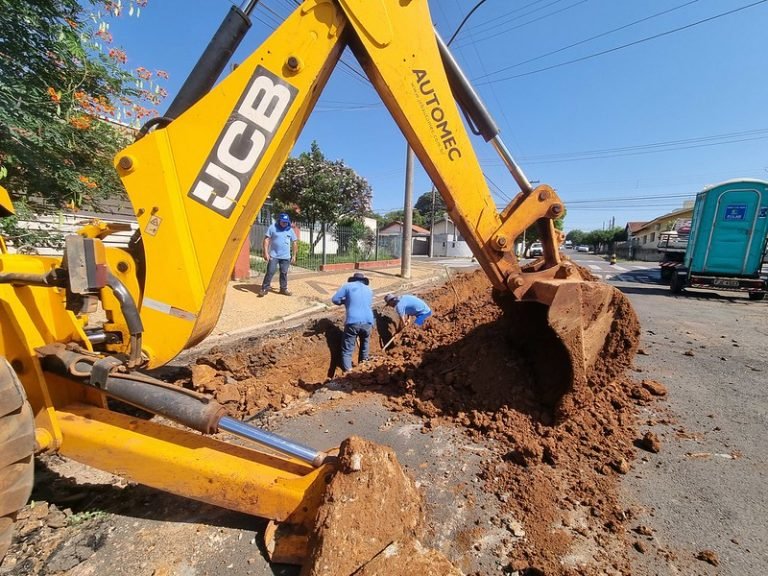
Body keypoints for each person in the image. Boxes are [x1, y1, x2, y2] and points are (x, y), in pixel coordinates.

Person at [331, 272, 374, 372]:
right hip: (368, 321)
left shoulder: (347, 286)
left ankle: (349, 372)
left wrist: (344, 301)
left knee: (347, 350)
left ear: (353, 280)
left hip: (353, 321)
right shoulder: (369, 289)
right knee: (365, 346)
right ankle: (364, 368)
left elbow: (335, 299)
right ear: (363, 281)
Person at [260, 213, 298, 296]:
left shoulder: (290, 230)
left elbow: (294, 242)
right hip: (274, 255)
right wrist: (266, 252)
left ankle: (283, 289)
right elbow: (266, 240)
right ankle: (264, 288)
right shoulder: (272, 227)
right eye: (283, 221)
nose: (284, 223)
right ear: (279, 221)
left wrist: (294, 255)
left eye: (286, 222)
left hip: (286, 257)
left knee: (284, 273)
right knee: (270, 271)